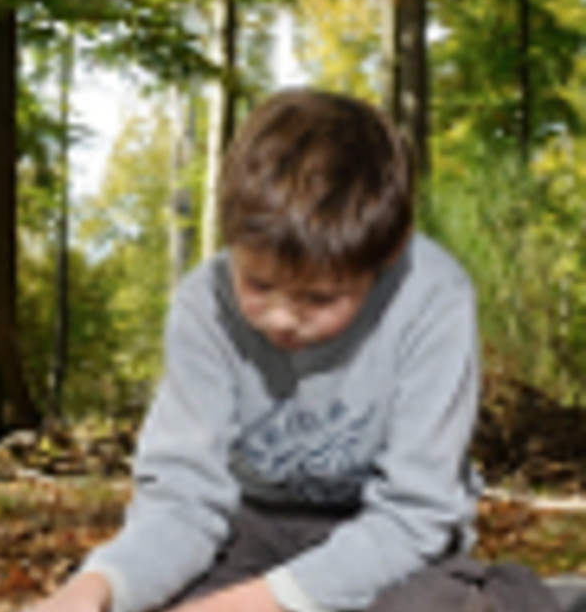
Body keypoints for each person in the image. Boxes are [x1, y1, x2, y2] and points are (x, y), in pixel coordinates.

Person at [26, 89, 483, 612]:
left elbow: (416, 515)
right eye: (260, 285)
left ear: (387, 253)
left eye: (319, 297)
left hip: (391, 544)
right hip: (252, 532)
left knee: (432, 604)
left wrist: (262, 604)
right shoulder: (205, 303)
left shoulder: (433, 298)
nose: (282, 318)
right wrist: (98, 586)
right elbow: (182, 499)